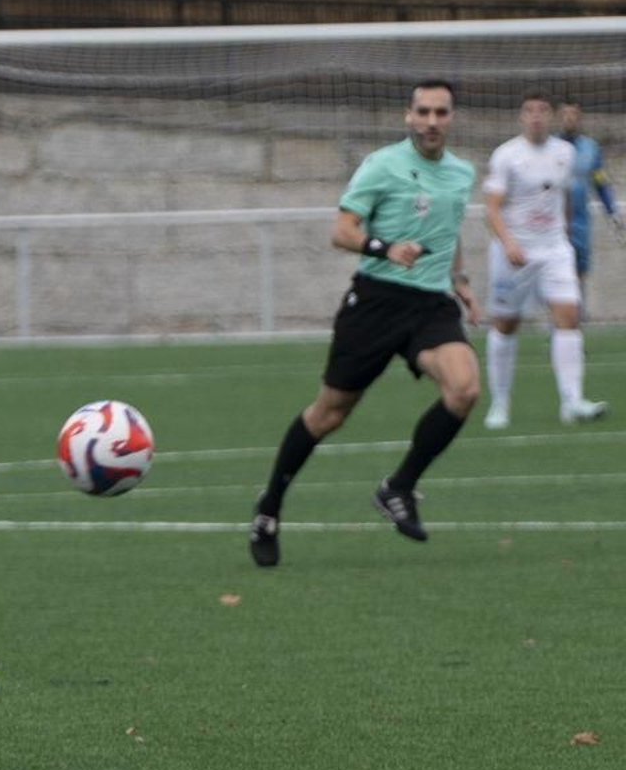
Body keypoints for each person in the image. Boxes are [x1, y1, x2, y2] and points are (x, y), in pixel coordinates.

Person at [248, 80, 480, 567]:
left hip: (431, 304)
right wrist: (386, 248)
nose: (432, 121)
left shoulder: (461, 174)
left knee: (464, 388)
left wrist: (460, 280)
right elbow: (342, 231)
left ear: (452, 118)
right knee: (329, 414)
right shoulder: (383, 165)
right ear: (408, 116)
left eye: (441, 112)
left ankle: (399, 487)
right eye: (424, 111)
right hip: (376, 301)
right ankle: (269, 507)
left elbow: (450, 228)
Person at [483, 92, 608, 428]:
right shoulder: (506, 155)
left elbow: (564, 198)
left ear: (550, 116)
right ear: (521, 117)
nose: (536, 116)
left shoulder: (565, 154)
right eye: (529, 111)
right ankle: (499, 404)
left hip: (554, 249)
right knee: (506, 324)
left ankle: (572, 402)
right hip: (515, 252)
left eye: (542, 110)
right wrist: (507, 242)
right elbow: (492, 207)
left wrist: (564, 237)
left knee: (568, 316)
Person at [558, 98, 623, 319]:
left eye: (574, 115)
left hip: (581, 222)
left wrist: (612, 210)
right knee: (557, 273)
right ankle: (558, 324)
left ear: (579, 118)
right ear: (559, 117)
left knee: (579, 273)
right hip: (555, 222)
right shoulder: (551, 147)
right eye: (566, 114)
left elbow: (600, 180)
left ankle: (576, 323)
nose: (570, 119)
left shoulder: (590, 148)